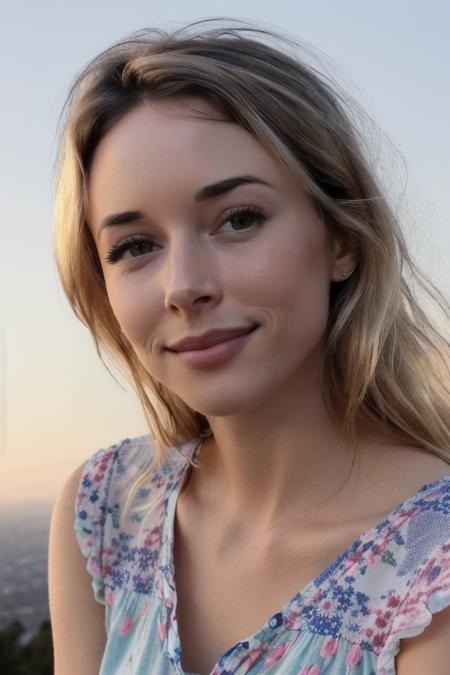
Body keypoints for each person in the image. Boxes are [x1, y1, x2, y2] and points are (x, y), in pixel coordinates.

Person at [47, 18, 450, 675]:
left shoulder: (432, 567)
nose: (184, 287)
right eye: (135, 246)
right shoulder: (106, 512)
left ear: (342, 239)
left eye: (239, 219)